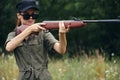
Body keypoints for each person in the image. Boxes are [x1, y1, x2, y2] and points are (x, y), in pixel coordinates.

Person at [5, 0, 69, 80]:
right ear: (18, 15)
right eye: (27, 15)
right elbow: (9, 47)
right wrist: (30, 30)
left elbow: (61, 50)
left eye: (34, 15)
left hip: (43, 77)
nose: (31, 18)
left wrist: (62, 34)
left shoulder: (43, 33)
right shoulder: (14, 35)